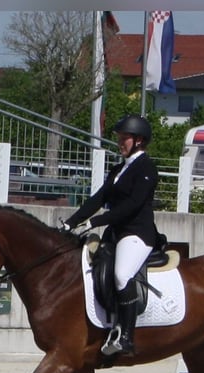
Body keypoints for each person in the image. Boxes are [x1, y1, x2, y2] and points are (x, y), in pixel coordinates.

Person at [62, 114, 159, 356]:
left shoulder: (146, 168)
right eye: (119, 138)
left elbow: (133, 205)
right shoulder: (118, 169)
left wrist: (96, 221)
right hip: (116, 233)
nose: (120, 142)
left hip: (138, 233)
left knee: (121, 275)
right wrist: (70, 223)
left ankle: (126, 336)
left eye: (124, 138)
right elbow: (98, 198)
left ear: (138, 141)